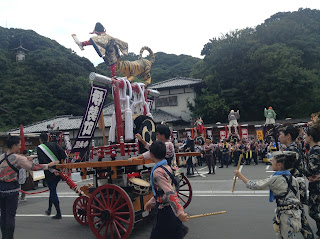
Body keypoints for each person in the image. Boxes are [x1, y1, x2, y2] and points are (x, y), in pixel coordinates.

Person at [0, 136, 58, 239]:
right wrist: (48, 165)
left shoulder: (1, 157)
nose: (20, 146)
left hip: (1, 189)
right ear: (14, 146)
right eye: (19, 145)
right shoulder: (18, 158)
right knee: (10, 216)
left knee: (3, 215)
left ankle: (4, 237)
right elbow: (33, 167)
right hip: (11, 189)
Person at [235, 151, 302, 239]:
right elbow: (298, 197)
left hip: (286, 216)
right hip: (294, 214)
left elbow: (254, 185)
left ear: (279, 165)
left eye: (273, 162)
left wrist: (239, 175)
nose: (271, 164)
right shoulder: (293, 178)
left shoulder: (275, 179)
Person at [144, 140, 189, 239]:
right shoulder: (167, 167)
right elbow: (164, 190)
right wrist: (152, 201)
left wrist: (180, 212)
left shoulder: (158, 172)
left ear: (151, 154)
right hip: (168, 211)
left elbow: (169, 192)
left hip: (165, 212)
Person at [279, 124, 315, 239]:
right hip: (295, 189)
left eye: (280, 134)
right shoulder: (294, 148)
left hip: (293, 191)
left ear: (288, 136)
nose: (278, 137)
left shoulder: (290, 151)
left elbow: (283, 171)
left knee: (298, 220)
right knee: (297, 219)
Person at [37, 132, 67, 219]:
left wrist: (52, 170)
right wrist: (62, 167)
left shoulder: (40, 148)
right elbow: (63, 155)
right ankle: (49, 209)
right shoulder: (54, 144)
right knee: (52, 190)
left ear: (40, 140)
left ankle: (58, 213)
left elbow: (42, 162)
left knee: (53, 192)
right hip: (58, 171)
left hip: (50, 173)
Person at [304, 118, 320, 239]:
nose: (304, 137)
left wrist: (298, 166)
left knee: (314, 211)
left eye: (305, 135)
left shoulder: (315, 151)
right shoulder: (313, 150)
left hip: (317, 186)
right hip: (315, 185)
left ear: (310, 137)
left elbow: (310, 170)